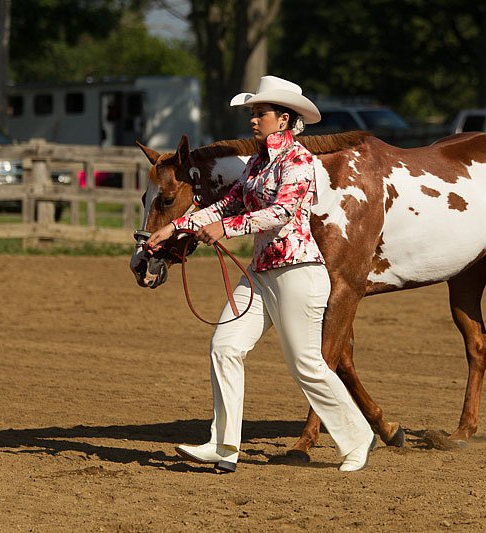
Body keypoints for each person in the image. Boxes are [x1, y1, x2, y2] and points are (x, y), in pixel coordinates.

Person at [147, 76, 375, 473]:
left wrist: (228, 229)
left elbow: (282, 212)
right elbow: (228, 204)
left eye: (260, 114)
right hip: (260, 273)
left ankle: (358, 437)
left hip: (297, 273)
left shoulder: (300, 162)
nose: (254, 120)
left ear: (284, 119)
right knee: (225, 347)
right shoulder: (256, 162)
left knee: (307, 365)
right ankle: (223, 445)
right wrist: (174, 227)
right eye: (253, 114)